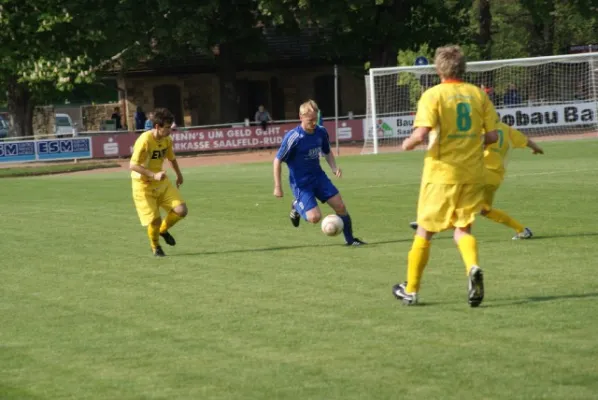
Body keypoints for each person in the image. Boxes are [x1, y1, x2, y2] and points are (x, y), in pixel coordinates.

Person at [392, 45, 498, 307]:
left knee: (425, 231)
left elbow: (420, 133)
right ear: (463, 68)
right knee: (462, 229)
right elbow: (493, 136)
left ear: (438, 68)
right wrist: (471, 141)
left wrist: (406, 143)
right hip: (473, 173)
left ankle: (412, 290)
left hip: (441, 174)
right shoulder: (478, 95)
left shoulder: (433, 95)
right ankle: (472, 267)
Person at [409, 118, 545, 239]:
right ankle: (522, 230)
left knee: (454, 191)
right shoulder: (509, 130)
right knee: (484, 210)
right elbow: (527, 141)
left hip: (480, 174)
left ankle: (431, 221)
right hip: (495, 178)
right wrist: (537, 148)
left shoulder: (483, 129)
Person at [272, 99, 365, 246]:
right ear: (301, 117)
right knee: (315, 218)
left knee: (340, 207)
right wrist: (278, 186)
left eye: (315, 119)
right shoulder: (293, 137)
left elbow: (327, 152)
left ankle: (351, 240)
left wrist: (334, 168)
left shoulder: (321, 132)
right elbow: (277, 160)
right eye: (310, 120)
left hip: (319, 178)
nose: (314, 123)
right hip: (301, 184)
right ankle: (296, 205)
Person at [129, 108, 188, 257]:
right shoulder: (144, 140)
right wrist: (152, 175)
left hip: (161, 182)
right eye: (167, 127)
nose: (170, 130)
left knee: (181, 210)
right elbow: (132, 165)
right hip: (143, 185)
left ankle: (163, 230)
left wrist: (179, 175)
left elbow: (171, 158)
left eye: (170, 127)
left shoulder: (167, 140)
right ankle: (155, 246)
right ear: (157, 127)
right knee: (155, 220)